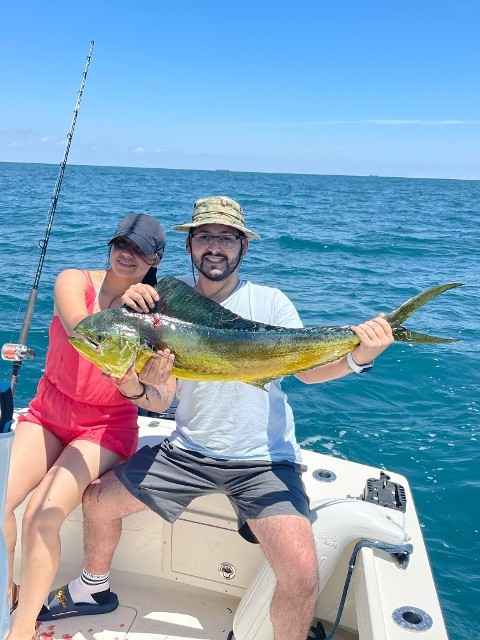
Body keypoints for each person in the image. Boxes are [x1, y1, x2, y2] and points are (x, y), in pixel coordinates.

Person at [38, 197, 394, 640]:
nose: (215, 247)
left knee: (301, 575)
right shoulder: (157, 309)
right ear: (189, 246)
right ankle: (94, 588)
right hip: (187, 454)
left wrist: (359, 357)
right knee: (98, 502)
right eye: (205, 236)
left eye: (227, 238)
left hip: (264, 462)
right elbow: (158, 399)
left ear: (243, 248)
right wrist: (139, 382)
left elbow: (306, 371)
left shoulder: (270, 302)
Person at [5, 213, 169, 640]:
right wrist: (121, 308)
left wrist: (145, 382)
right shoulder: (72, 281)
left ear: (155, 259)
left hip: (105, 426)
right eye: (121, 244)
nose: (126, 255)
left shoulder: (159, 316)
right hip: (48, 412)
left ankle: (20, 630)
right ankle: (8, 594)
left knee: (40, 516)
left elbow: (162, 398)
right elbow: (83, 331)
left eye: (139, 250)